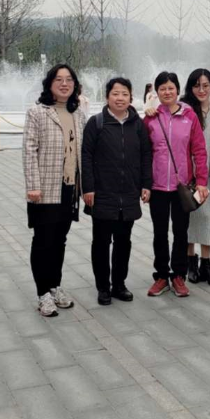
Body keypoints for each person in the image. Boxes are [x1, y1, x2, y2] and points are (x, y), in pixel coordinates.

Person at [81, 77, 152, 306]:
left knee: (124, 242)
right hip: (102, 193)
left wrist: (146, 184)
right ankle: (103, 287)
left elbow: (146, 155)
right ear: (107, 97)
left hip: (129, 193)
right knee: (101, 242)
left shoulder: (138, 124)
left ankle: (119, 284)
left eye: (124, 94)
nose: (120, 98)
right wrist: (88, 188)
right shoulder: (96, 123)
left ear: (131, 97)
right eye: (115, 93)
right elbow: (86, 157)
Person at [23, 64, 86, 317]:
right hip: (45, 187)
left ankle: (54, 286)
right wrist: (33, 186)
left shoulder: (78, 113)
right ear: (49, 84)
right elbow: (29, 150)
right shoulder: (37, 112)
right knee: (43, 240)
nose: (64, 84)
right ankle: (42, 293)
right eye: (58, 79)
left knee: (60, 239)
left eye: (69, 79)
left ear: (75, 85)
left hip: (69, 188)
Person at [143, 72, 209, 298]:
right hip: (158, 185)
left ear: (178, 90)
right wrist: (144, 184)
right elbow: (143, 153)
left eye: (171, 88)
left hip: (182, 186)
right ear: (157, 92)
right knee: (159, 232)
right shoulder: (151, 118)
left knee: (181, 232)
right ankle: (161, 275)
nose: (167, 92)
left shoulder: (189, 116)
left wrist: (201, 181)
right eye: (162, 88)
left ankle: (178, 274)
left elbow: (199, 150)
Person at [167, 68, 210, 286]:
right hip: (186, 176)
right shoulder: (184, 107)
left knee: (207, 217)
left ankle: (206, 264)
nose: (201, 90)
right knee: (189, 218)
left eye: (206, 85)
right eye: (196, 85)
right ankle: (190, 262)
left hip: (208, 173)